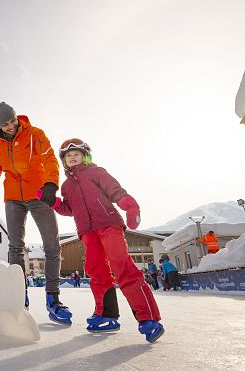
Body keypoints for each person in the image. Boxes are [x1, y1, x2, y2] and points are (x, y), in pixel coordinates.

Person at [53, 138, 164, 343]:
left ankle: (148, 318)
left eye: (76, 153)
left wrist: (130, 206)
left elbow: (115, 191)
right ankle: (107, 315)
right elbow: (70, 208)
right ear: (64, 161)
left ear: (85, 155)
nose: (72, 157)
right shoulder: (66, 185)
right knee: (97, 272)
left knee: (122, 267)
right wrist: (53, 202)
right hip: (87, 231)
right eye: (68, 156)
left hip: (108, 224)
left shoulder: (97, 173)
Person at [0, 101, 72, 326]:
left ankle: (53, 298)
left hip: (39, 194)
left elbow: (49, 159)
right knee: (15, 246)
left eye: (12, 121)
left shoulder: (35, 134)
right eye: (5, 124)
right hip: (13, 198)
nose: (10, 126)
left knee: (52, 245)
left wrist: (51, 183)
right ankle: (20, 297)